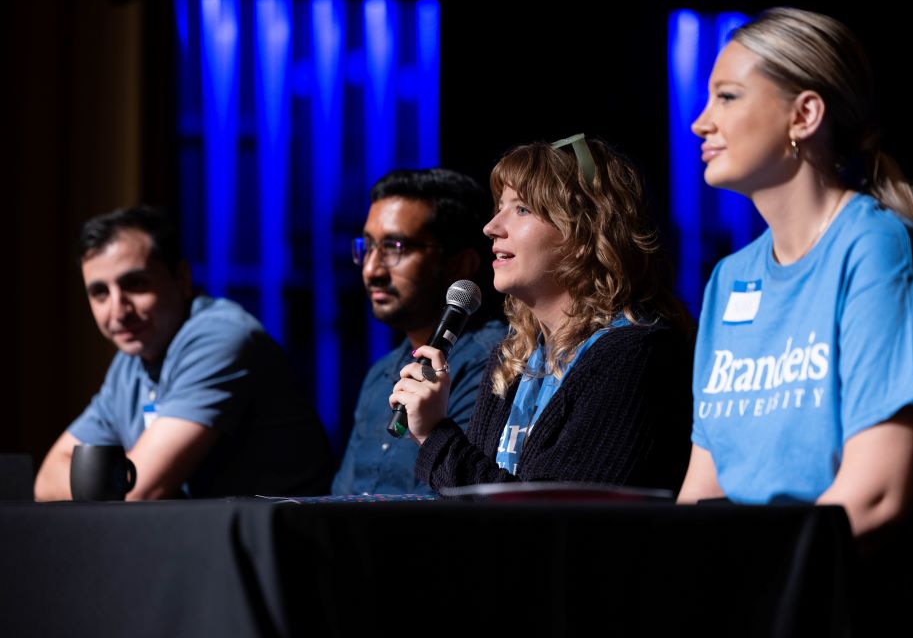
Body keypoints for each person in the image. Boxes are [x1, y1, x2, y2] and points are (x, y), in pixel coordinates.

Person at [677, 6, 913, 630]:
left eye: (727, 97)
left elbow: (876, 497)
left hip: (836, 609)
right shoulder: (728, 280)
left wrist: (752, 598)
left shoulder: (875, 249)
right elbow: (704, 488)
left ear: (804, 115)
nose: (701, 122)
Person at [390, 135, 693, 492]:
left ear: (583, 234)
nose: (491, 227)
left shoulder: (635, 357)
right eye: (499, 206)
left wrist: (436, 435)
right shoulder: (511, 360)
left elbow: (551, 524)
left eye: (521, 209)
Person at [34, 206, 334, 500]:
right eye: (100, 293)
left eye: (135, 284)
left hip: (282, 541)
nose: (118, 312)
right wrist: (111, 486)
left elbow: (140, 490)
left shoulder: (220, 337)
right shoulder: (129, 363)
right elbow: (47, 480)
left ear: (182, 278)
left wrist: (102, 485)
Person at [332, 169, 506, 495]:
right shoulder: (381, 373)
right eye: (367, 247)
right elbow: (343, 497)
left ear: (460, 265)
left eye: (395, 246)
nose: (372, 270)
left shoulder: (496, 362)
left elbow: (460, 500)